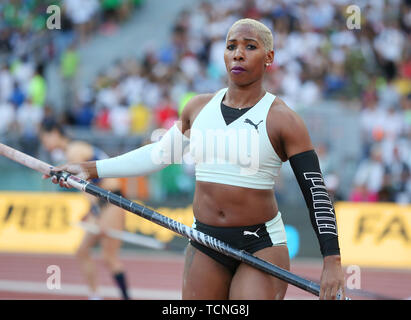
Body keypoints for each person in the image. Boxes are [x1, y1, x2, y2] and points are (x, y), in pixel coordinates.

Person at [47, 18, 345, 300]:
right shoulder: (198, 108)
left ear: (269, 57)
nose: (238, 54)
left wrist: (332, 260)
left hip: (260, 245)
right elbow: (157, 155)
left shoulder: (284, 120)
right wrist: (89, 169)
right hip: (205, 241)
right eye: (231, 46)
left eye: (250, 46)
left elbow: (316, 193)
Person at [39, 119, 130, 300]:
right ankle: (95, 295)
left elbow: (85, 185)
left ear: (55, 133)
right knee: (82, 251)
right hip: (102, 204)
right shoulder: (73, 150)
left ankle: (126, 297)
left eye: (44, 138)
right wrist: (91, 213)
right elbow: (89, 188)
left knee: (109, 257)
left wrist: (96, 214)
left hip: (112, 201)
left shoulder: (74, 150)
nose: (44, 143)